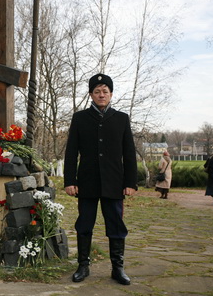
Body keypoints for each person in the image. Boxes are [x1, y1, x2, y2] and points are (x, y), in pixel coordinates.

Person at [64, 73, 138, 285]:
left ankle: (118, 268)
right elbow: (71, 152)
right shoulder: (80, 118)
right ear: (91, 95)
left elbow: (129, 153)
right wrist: (70, 180)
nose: (101, 95)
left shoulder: (121, 118)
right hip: (86, 183)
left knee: (116, 225)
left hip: (114, 183)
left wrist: (130, 183)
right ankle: (83, 266)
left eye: (105, 91)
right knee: (84, 224)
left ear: (111, 94)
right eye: (97, 91)